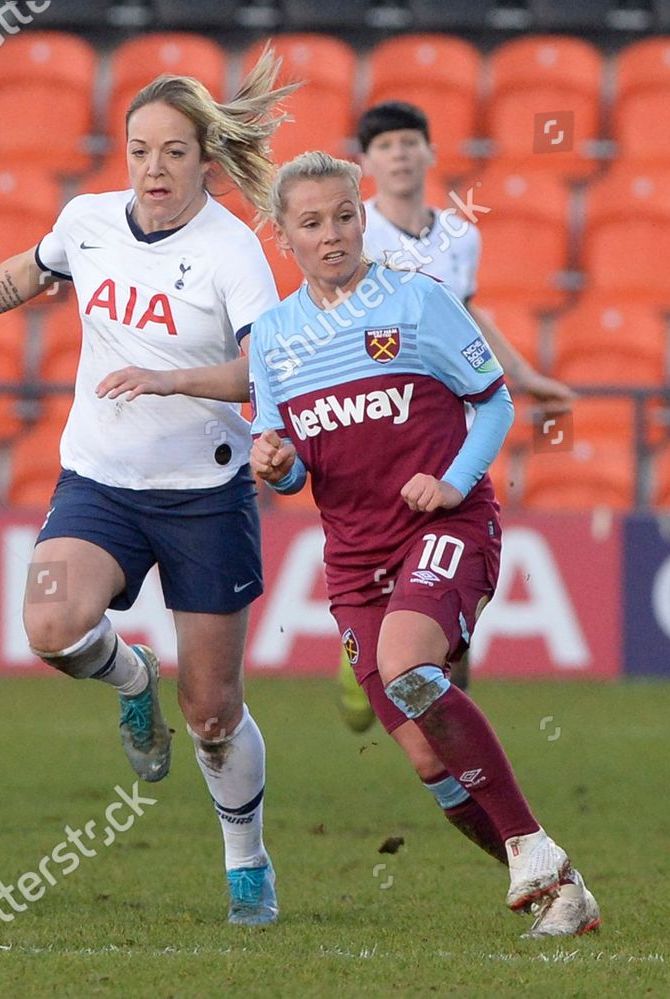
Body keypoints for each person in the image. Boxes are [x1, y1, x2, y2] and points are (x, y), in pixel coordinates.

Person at [0, 53, 297, 926]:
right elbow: (25, 274)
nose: (152, 169)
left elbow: (265, 372)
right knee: (51, 625)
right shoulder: (90, 221)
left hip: (205, 496)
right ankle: (130, 673)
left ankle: (246, 860)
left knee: (214, 712)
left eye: (173, 153)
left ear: (204, 162)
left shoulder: (231, 252)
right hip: (101, 479)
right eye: (139, 149)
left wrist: (174, 383)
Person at [247, 151, 600, 939]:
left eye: (344, 215)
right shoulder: (272, 338)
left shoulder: (417, 302)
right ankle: (561, 890)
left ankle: (533, 847)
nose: (333, 233)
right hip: (353, 558)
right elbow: (292, 458)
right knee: (430, 763)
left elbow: (496, 403)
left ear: (362, 216)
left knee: (410, 665)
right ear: (284, 236)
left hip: (447, 525)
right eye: (312, 223)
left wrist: (451, 480)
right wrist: (277, 464)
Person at [333, 99, 578, 731]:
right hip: (374, 427)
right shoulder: (354, 234)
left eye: (411, 143)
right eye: (386, 146)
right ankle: (362, 649)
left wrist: (522, 377)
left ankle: (450, 726)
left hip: (445, 432)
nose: (401, 154)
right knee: (381, 561)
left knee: (448, 590)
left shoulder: (460, 237)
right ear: (366, 161)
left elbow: (468, 317)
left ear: (431, 153)